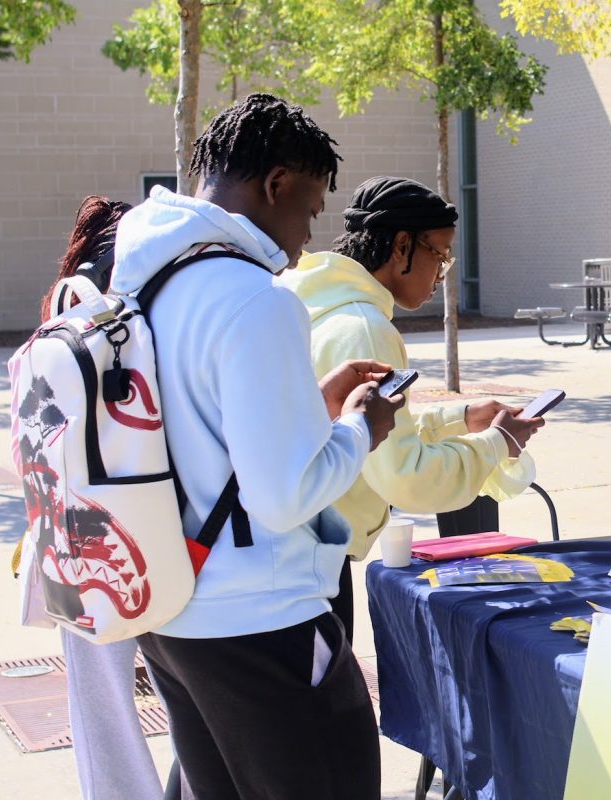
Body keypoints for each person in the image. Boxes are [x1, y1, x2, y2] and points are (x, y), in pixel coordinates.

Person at [110, 94, 403, 799]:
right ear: (275, 184)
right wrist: (361, 426)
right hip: (261, 623)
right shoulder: (257, 297)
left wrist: (316, 406)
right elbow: (283, 497)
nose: (308, 234)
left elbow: (198, 433)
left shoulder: (138, 281)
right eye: (308, 207)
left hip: (170, 614)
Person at [277, 176, 544, 633]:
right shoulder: (365, 327)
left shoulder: (320, 306)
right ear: (402, 246)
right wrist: (497, 443)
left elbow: (366, 426)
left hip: (285, 543)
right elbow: (406, 477)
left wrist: (458, 418)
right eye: (440, 255)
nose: (442, 275)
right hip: (309, 561)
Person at [32, 195, 164, 800]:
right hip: (130, 512)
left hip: (65, 517)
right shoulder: (113, 296)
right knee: (182, 681)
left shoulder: (62, 298)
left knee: (99, 693)